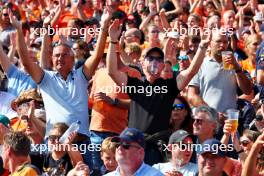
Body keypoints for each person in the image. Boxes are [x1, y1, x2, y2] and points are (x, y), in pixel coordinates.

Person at [10, 6, 113, 169]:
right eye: (56, 55)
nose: (60, 58)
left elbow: (98, 54)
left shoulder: (81, 75)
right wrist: (18, 30)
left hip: (81, 143)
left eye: (65, 54)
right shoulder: (46, 78)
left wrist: (105, 25)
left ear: (73, 60)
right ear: (52, 59)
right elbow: (26, 61)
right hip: (54, 144)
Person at [107, 18, 211, 165]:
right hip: (133, 144)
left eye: (158, 59)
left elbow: (191, 71)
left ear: (163, 65)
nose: (154, 62)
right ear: (142, 63)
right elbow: (112, 71)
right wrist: (112, 40)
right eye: (150, 58)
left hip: (156, 149)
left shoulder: (169, 85)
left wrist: (203, 46)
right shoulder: (134, 84)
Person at [188, 30, 253, 113]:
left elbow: (247, 90)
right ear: (210, 43)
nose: (222, 45)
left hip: (230, 120)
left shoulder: (235, 64)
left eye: (225, 42)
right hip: (208, 119)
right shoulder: (200, 64)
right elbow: (192, 96)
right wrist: (211, 113)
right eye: (218, 41)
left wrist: (237, 68)